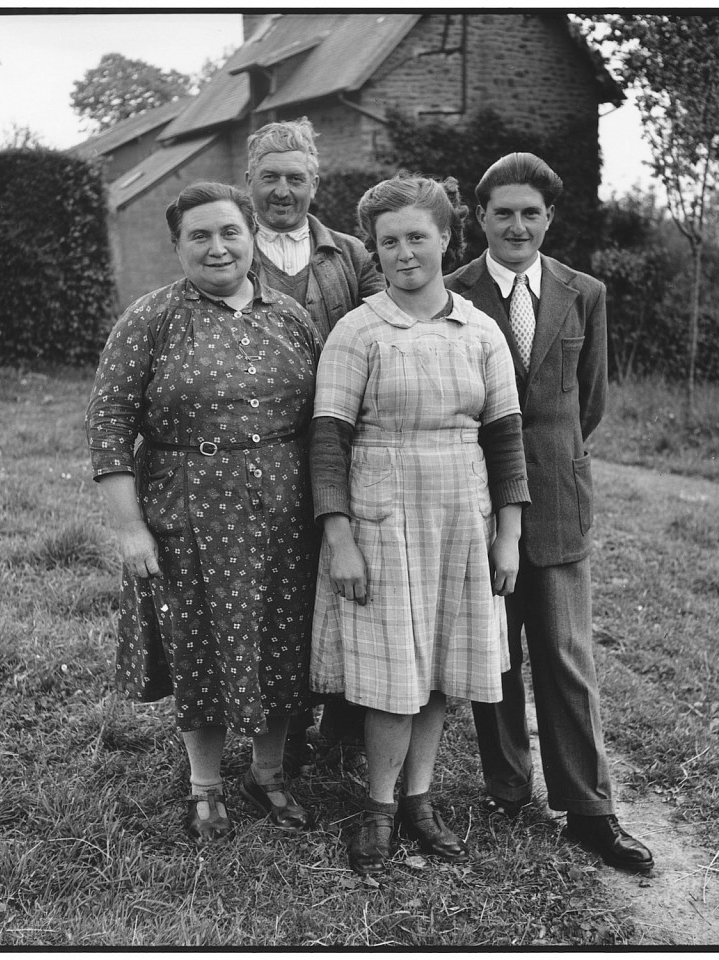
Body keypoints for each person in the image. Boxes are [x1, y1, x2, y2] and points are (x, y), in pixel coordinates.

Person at [308, 174, 530, 876]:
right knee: (389, 672)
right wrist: (338, 534)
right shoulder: (359, 329)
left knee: (439, 667)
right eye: (389, 241)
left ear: (444, 239)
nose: (405, 253)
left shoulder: (479, 329)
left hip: (461, 516)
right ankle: (376, 809)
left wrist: (509, 534)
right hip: (381, 518)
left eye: (417, 237)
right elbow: (326, 440)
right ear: (375, 251)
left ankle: (419, 801)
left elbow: (505, 438)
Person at [86, 182, 321, 841]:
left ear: (251, 239)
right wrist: (130, 527)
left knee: (284, 637)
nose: (217, 247)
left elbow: (322, 420)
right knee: (200, 644)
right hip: (190, 511)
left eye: (229, 233)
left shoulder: (291, 317)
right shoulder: (152, 318)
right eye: (200, 236)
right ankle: (205, 786)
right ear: (177, 246)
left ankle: (269, 775)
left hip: (285, 512)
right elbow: (107, 425)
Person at [444, 152, 654, 872]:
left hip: (560, 504)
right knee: (494, 654)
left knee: (565, 657)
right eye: (501, 212)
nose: (516, 225)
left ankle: (589, 808)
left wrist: (554, 462)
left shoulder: (583, 292)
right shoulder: (451, 293)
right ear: (479, 217)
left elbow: (586, 403)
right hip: (477, 505)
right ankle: (507, 785)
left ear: (549, 218)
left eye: (530, 212)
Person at [245, 117, 385, 771]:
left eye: (294, 177)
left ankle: (345, 721)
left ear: (314, 183)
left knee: (348, 576)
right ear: (250, 181)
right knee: (278, 586)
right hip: (259, 453)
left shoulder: (351, 257)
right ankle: (281, 723)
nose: (281, 190)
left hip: (341, 445)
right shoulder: (228, 250)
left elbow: (389, 328)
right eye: (269, 176)